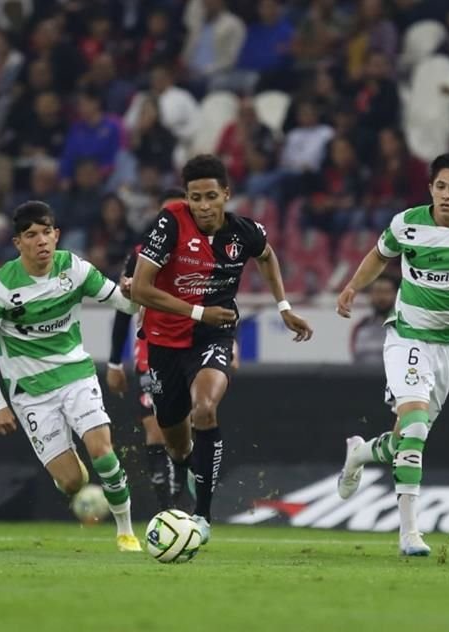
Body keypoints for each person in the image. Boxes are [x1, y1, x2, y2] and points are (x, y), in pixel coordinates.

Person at [335, 152, 449, 556]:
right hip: (406, 335)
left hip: (448, 345)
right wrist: (353, 286)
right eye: (440, 187)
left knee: (407, 438)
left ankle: (361, 452)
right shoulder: (407, 223)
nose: (446, 195)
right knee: (415, 426)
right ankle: (409, 535)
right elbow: (379, 256)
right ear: (430, 188)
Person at [130, 154, 313, 543]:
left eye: (211, 196)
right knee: (176, 444)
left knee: (206, 407)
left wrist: (284, 307)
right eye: (195, 197)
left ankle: (203, 516)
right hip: (164, 343)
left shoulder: (244, 232)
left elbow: (267, 256)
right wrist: (199, 311)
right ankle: (186, 466)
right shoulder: (170, 222)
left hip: (214, 335)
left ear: (226, 194)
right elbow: (143, 288)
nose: (203, 206)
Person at [0, 201, 144, 552]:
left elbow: (124, 304)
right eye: (31, 235)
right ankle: (71, 475)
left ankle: (125, 531)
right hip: (30, 392)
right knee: (71, 483)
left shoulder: (73, 269)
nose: (41, 241)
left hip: (75, 375)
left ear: (57, 234)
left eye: (46, 232)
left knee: (102, 450)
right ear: (18, 242)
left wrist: (133, 289)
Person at [107, 188, 187, 511]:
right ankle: (167, 512)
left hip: (191, 354)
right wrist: (114, 362)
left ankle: (182, 506)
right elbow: (123, 308)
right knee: (155, 430)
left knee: (184, 435)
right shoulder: (140, 255)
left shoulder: (203, 255)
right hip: (150, 354)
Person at [350, 273, 399, 364]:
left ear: (396, 295)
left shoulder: (404, 327)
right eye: (377, 292)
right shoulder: (360, 327)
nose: (382, 297)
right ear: (370, 295)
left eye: (386, 292)